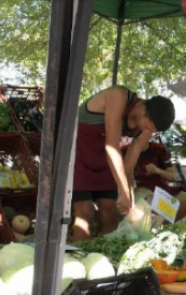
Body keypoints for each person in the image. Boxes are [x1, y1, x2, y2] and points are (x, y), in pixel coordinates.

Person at [71, 86, 175, 242]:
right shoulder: (118, 96)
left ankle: (107, 259)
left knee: (110, 211)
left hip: (107, 163)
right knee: (85, 213)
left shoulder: (146, 129)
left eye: (152, 131)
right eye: (147, 126)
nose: (148, 132)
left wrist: (128, 195)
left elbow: (129, 163)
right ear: (142, 109)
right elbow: (112, 146)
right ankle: (76, 261)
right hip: (79, 156)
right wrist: (123, 191)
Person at [124, 136, 186, 221]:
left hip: (160, 189)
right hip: (138, 190)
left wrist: (157, 170)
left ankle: (161, 225)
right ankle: (154, 225)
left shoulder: (159, 149)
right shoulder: (124, 151)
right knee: (150, 200)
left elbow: (172, 176)